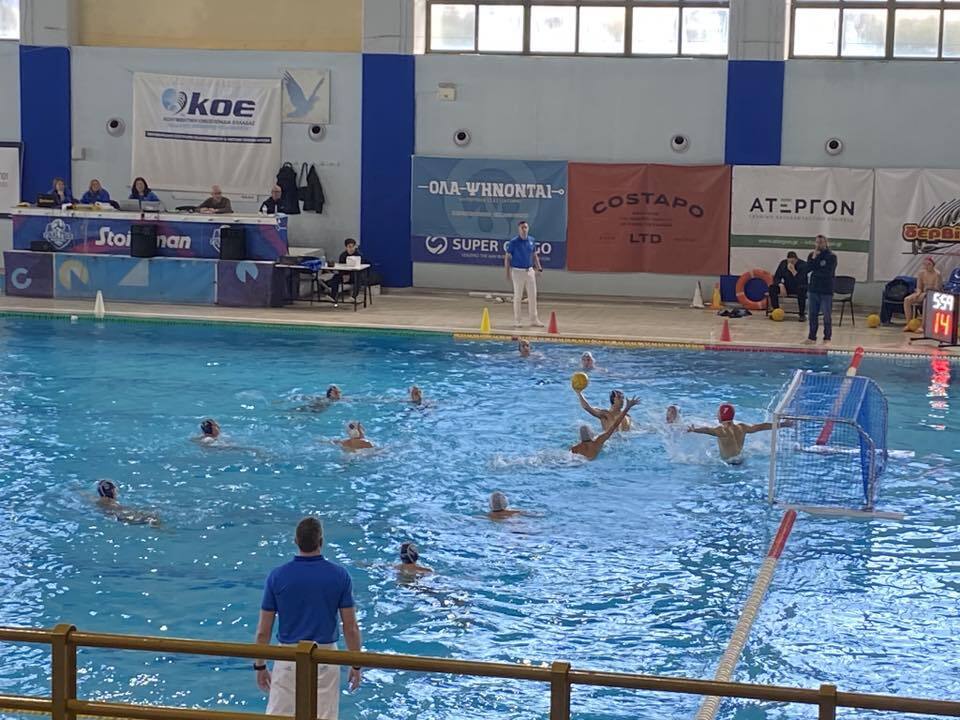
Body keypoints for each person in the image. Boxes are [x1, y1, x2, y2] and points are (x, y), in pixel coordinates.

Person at [254, 517, 362, 720]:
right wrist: (356, 664)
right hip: (325, 658)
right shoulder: (340, 576)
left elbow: (263, 631)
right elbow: (351, 628)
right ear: (321, 541)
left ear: (296, 541)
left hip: (287, 657)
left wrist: (260, 666)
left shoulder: (277, 576)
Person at [687, 403, 788, 464]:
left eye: (718, 413)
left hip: (728, 464)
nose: (717, 415)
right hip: (741, 460)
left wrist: (694, 430)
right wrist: (782, 424)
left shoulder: (722, 430)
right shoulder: (742, 427)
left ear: (721, 416)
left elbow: (707, 430)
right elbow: (761, 426)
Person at [504, 220, 544, 328]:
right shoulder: (513, 242)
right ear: (519, 229)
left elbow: (534, 255)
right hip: (517, 272)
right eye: (522, 228)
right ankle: (517, 320)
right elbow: (507, 258)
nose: (524, 229)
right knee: (518, 296)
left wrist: (539, 268)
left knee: (533, 296)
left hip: (529, 271)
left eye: (525, 227)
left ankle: (534, 319)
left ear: (528, 228)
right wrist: (507, 272)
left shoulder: (532, 240)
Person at [571, 396, 639, 460]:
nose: (622, 400)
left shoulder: (575, 448)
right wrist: (627, 408)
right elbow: (615, 425)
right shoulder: (598, 441)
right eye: (619, 397)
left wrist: (578, 393)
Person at [805, 235, 838, 344]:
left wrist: (816, 269)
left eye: (821, 242)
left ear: (826, 243)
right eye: (817, 242)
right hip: (813, 289)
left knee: (826, 315)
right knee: (812, 314)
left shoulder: (831, 256)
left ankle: (827, 337)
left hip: (826, 290)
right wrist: (814, 258)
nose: (819, 244)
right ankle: (812, 337)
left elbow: (827, 273)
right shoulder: (812, 255)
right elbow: (807, 269)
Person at [95, 479, 161, 526]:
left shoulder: (97, 500)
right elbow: (122, 511)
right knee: (153, 517)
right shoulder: (112, 503)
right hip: (121, 518)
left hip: (112, 517)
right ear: (113, 491)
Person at [903, 257, 943, 331]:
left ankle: (922, 326)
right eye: (925, 264)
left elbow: (937, 289)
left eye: (929, 264)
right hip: (923, 293)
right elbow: (919, 287)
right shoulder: (921, 273)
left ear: (933, 265)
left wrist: (926, 293)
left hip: (933, 295)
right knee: (907, 300)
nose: (927, 266)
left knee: (926, 301)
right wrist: (918, 293)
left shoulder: (937, 274)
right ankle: (909, 324)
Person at [768, 251, 808, 321]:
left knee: (802, 289)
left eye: (793, 262)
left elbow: (802, 281)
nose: (791, 263)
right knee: (772, 288)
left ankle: (802, 314)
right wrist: (780, 285)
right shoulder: (783, 264)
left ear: (796, 259)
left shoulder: (803, 265)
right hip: (787, 286)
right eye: (789, 261)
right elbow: (776, 277)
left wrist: (793, 271)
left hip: (799, 286)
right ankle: (776, 311)